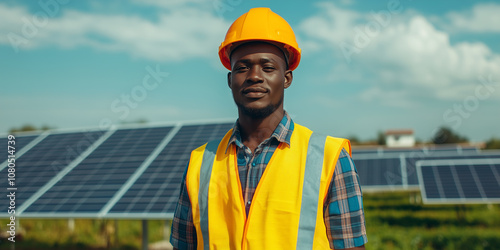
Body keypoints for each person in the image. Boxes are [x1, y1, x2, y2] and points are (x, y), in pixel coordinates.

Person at [171, 7, 367, 250]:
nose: (254, 76)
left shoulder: (330, 158)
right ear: (230, 80)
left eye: (267, 67)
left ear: (287, 78)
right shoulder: (200, 164)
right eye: (242, 67)